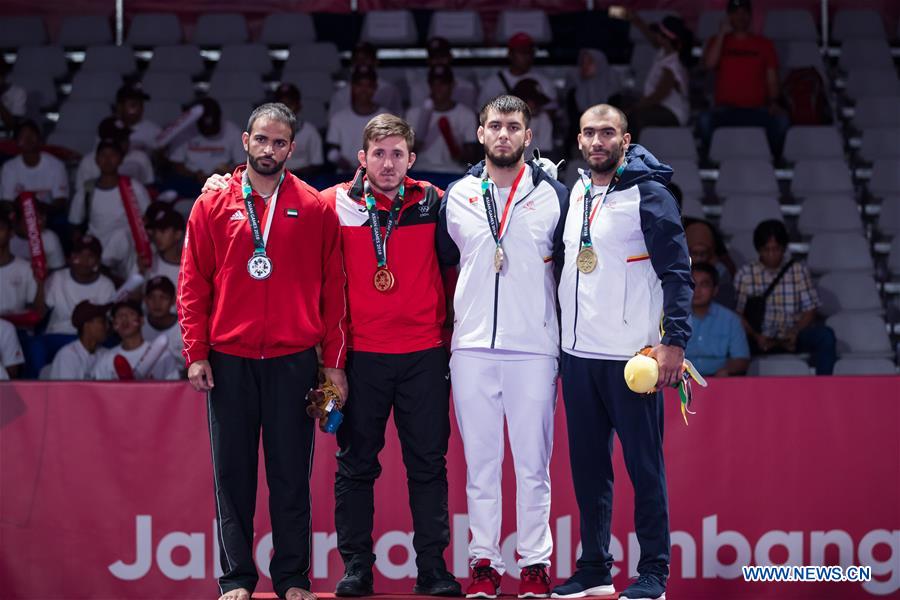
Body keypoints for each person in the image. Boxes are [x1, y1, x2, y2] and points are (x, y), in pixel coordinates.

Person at [202, 113, 461, 597]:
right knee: (355, 467)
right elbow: (272, 199)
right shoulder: (331, 204)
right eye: (378, 154)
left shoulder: (434, 202)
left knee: (428, 466)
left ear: (412, 159)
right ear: (362, 158)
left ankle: (433, 569)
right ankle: (357, 568)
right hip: (361, 357)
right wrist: (223, 180)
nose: (388, 164)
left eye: (397, 154)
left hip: (424, 354)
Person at [178, 102, 347, 600]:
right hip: (229, 358)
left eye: (279, 143)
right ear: (245, 141)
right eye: (261, 140)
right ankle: (236, 579)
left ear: (292, 148)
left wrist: (333, 365)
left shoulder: (315, 208)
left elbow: (333, 293)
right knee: (232, 474)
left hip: (293, 359)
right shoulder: (211, 204)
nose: (269, 149)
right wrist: (196, 351)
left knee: (291, 473)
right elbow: (193, 283)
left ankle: (293, 578)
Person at [552, 104, 692, 600]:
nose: (596, 141)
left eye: (606, 133)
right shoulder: (575, 194)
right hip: (578, 356)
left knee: (644, 468)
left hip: (633, 359)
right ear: (579, 138)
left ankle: (654, 571)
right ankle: (594, 567)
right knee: (589, 471)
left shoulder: (649, 195)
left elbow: (677, 273)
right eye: (589, 133)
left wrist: (674, 342)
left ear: (625, 140)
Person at [437, 95, 568, 599]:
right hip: (471, 348)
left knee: (534, 464)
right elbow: (447, 257)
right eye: (495, 125)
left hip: (535, 348)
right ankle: (485, 563)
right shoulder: (459, 195)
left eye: (514, 127)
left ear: (529, 137)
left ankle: (535, 563)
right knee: (481, 465)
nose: (504, 135)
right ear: (480, 133)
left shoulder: (555, 195)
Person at [734, 219, 836, 375]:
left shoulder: (798, 270)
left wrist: (795, 331)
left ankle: (825, 387)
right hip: (758, 337)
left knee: (825, 336)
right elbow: (738, 314)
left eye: (776, 249)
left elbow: (810, 309)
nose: (771, 254)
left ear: (783, 249)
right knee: (735, 342)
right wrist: (756, 335)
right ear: (759, 250)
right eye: (766, 250)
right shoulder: (745, 273)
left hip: (792, 335)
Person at [699, 0, 789, 156]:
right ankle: (712, 160)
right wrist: (722, 34)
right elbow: (709, 65)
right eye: (736, 12)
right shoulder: (716, 41)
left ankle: (771, 162)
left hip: (757, 110)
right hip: (725, 110)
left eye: (744, 12)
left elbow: (772, 78)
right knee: (704, 121)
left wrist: (775, 102)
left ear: (750, 16)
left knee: (782, 122)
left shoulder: (764, 44)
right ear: (729, 16)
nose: (740, 17)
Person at [43, 234, 116, 349]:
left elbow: (109, 324)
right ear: (71, 257)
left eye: (90, 256)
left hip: (92, 339)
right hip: (58, 336)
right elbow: (40, 311)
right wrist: (39, 283)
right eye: (79, 255)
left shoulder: (106, 285)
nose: (84, 261)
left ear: (98, 261)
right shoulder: (57, 278)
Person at [626, 14, 692, 140]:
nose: (656, 36)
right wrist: (636, 20)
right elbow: (651, 37)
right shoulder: (664, 52)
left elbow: (658, 95)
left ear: (666, 39)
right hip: (660, 107)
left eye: (660, 34)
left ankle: (629, 155)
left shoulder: (672, 66)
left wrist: (633, 107)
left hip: (673, 112)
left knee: (632, 118)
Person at [405, 65, 479, 174]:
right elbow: (403, 154)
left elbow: (471, 157)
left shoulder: (466, 115)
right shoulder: (413, 114)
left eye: (443, 83)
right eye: (434, 83)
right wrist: (415, 145)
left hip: (454, 172)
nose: (438, 87)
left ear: (452, 85)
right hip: (420, 171)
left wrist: (455, 150)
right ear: (429, 85)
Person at [167, 98, 245, 194]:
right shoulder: (185, 130)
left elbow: (242, 164)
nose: (209, 131)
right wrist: (195, 175)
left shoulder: (232, 131)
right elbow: (176, 163)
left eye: (213, 127)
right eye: (205, 128)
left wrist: (226, 173)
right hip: (191, 180)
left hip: (223, 181)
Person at [685, 262, 749, 376]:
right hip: (680, 382)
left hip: (720, 383)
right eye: (692, 284)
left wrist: (727, 370)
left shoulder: (731, 319)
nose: (697, 290)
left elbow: (742, 359)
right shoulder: (674, 318)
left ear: (715, 290)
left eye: (704, 285)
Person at [91, 299, 180, 380]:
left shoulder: (163, 355)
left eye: (131, 314)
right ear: (114, 324)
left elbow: (175, 389)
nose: (124, 319)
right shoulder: (106, 359)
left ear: (141, 320)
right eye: (119, 315)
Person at [326, 66, 388, 173]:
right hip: (345, 176)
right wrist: (347, 165)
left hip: (379, 173)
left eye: (369, 85)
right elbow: (332, 152)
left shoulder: (387, 117)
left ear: (375, 87)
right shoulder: (338, 118)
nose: (364, 90)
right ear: (352, 87)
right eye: (359, 85)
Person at [0, 120, 69, 213]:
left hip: (48, 216)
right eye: (23, 136)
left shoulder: (56, 165)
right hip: (19, 218)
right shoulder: (9, 168)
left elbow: (60, 201)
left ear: (39, 139)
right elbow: (7, 201)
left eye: (32, 135)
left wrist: (38, 212)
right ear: (17, 142)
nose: (28, 139)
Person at [477, 33, 555, 110]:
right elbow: (481, 114)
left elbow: (552, 113)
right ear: (510, 54)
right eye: (522, 52)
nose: (527, 57)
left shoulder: (544, 82)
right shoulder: (493, 83)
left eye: (530, 52)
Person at [74, 116, 155, 190]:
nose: (126, 143)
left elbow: (149, 189)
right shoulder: (88, 162)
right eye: (120, 139)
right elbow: (83, 193)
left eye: (126, 137)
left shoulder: (141, 157)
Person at [328, 42, 403, 119]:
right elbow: (334, 121)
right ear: (352, 63)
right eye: (357, 59)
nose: (362, 62)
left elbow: (397, 120)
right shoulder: (340, 95)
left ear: (376, 61)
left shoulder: (390, 90)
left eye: (366, 58)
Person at [46, 300, 110, 380]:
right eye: (102, 322)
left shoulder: (106, 354)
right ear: (87, 325)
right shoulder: (67, 356)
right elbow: (66, 391)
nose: (107, 326)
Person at [408, 37, 478, 110]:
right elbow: (415, 117)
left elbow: (470, 117)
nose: (438, 61)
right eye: (434, 57)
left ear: (450, 57)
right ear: (428, 60)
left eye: (442, 56)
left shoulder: (467, 87)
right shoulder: (417, 89)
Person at [274, 83, 325, 178]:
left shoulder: (310, 131)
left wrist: (292, 177)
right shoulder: (266, 131)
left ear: (299, 105)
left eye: (290, 104)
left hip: (305, 181)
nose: (285, 109)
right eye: (281, 104)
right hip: (273, 181)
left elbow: (317, 164)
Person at [684, 219, 736, 309]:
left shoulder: (721, 272)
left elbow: (726, 304)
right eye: (694, 253)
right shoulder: (677, 269)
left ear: (711, 252)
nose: (699, 258)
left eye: (703, 253)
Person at [141, 275, 184, 372]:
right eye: (152, 297)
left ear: (173, 300)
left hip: (182, 383)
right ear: (145, 300)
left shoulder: (186, 327)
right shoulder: (138, 325)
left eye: (163, 297)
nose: (157, 303)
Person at [510, 78, 554, 156]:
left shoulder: (542, 119)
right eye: (533, 101)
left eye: (538, 102)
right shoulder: (507, 121)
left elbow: (544, 152)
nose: (537, 105)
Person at [144, 205, 184, 288]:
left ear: (178, 234)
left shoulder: (192, 268)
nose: (157, 235)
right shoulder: (148, 262)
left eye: (162, 231)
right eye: (155, 230)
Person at [113, 83, 161, 153]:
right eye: (133, 105)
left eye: (141, 105)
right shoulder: (108, 128)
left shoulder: (154, 131)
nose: (139, 109)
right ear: (120, 107)